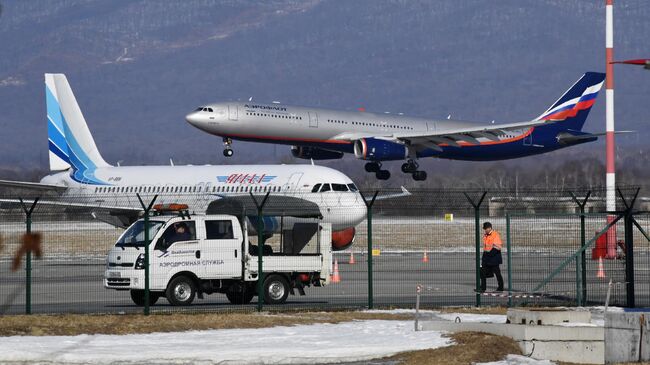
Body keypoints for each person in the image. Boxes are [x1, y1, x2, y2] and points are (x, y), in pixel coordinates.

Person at [480, 221, 504, 292]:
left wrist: (488, 255)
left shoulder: (495, 234)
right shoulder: (486, 235)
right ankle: (483, 288)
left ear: (490, 228)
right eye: (484, 229)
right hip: (487, 256)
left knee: (497, 273)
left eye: (486, 228)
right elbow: (486, 246)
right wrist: (485, 256)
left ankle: (500, 287)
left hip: (494, 257)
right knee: (482, 272)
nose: (485, 230)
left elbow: (498, 247)